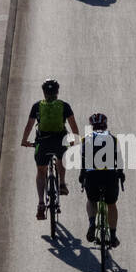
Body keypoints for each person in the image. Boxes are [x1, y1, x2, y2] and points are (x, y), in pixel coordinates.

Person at [20, 78, 80, 220]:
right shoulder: (64, 106)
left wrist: (24, 141)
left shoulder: (37, 106)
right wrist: (75, 141)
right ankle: (62, 184)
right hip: (59, 141)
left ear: (44, 92)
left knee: (41, 171)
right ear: (57, 92)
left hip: (43, 143)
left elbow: (29, 125)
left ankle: (41, 203)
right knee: (61, 159)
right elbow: (74, 126)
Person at [78, 112, 124, 247]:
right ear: (105, 125)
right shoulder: (113, 139)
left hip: (92, 177)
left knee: (92, 200)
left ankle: (92, 223)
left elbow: (83, 161)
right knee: (111, 204)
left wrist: (82, 176)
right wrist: (121, 174)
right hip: (109, 177)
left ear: (92, 126)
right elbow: (119, 160)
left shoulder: (85, 139)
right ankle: (113, 236)